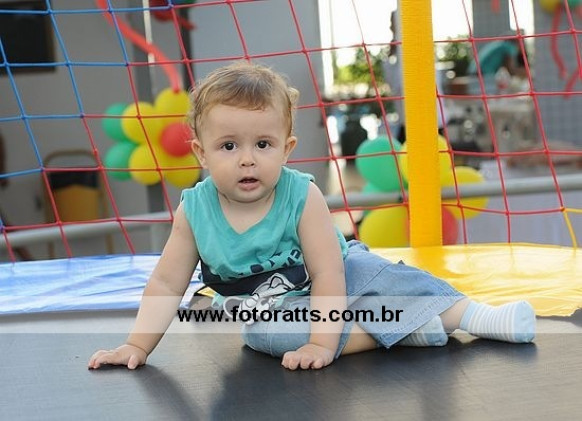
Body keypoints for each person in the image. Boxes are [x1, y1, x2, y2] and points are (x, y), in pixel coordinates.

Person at [88, 61, 536, 371]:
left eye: (263, 144)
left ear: (286, 149)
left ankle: (476, 316)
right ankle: (405, 330)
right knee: (267, 337)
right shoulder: (195, 211)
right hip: (277, 309)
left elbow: (327, 273)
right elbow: (167, 284)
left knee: (384, 277)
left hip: (340, 275)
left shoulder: (302, 195)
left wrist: (322, 343)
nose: (247, 158)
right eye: (229, 146)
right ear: (201, 153)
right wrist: (136, 344)